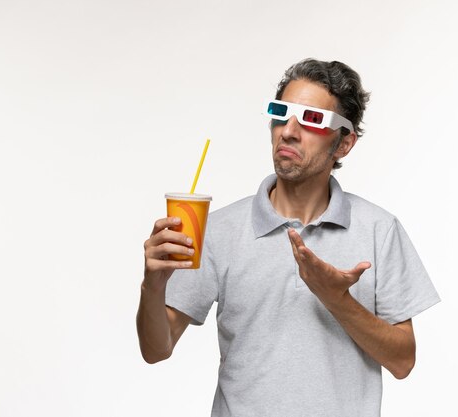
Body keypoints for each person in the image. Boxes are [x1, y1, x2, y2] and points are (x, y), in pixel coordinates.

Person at [137, 58, 440, 417]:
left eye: (312, 120)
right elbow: (156, 349)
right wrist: (152, 286)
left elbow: (403, 360)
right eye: (281, 112)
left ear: (344, 144)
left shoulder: (379, 230)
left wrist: (336, 298)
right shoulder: (219, 229)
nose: (288, 130)